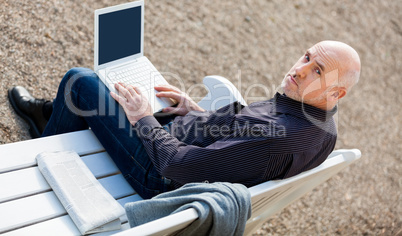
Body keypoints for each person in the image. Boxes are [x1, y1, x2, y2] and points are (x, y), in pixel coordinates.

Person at [8, 40, 360, 199]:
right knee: (121, 90)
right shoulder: (321, 125)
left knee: (80, 81)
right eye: (306, 57)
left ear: (337, 92)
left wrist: (144, 118)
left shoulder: (278, 135)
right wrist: (197, 113)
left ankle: (47, 128)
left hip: (157, 172)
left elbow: (175, 164)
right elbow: (240, 146)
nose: (299, 70)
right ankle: (57, 115)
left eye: (317, 70)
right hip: (183, 141)